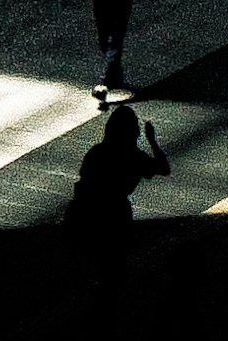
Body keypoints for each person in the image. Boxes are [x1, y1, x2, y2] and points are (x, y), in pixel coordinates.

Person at [64, 101, 165, 252]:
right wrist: (152, 141)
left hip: (84, 213)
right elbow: (163, 168)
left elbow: (83, 182)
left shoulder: (97, 151)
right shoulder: (133, 157)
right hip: (115, 215)